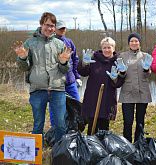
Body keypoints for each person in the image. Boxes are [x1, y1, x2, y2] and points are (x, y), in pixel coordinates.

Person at [13, 12, 71, 143]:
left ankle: (59, 154)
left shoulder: (59, 44)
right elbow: (24, 68)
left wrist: (63, 62)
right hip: (38, 89)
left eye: (52, 26)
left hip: (58, 89)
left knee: (61, 125)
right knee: (38, 124)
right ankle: (36, 153)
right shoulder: (30, 43)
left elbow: (65, 69)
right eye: (47, 25)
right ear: (41, 24)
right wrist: (22, 58)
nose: (50, 28)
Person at [77, 37, 125, 135]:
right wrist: (84, 63)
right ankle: (91, 144)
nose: (107, 50)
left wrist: (116, 78)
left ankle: (103, 146)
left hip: (107, 97)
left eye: (109, 47)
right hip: (93, 96)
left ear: (114, 48)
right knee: (92, 124)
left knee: (104, 126)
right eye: (104, 48)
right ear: (101, 48)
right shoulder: (94, 59)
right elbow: (83, 73)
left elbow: (118, 84)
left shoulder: (117, 62)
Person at [118, 32, 153, 143]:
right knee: (128, 121)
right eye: (131, 41)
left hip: (142, 92)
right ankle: (127, 144)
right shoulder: (122, 56)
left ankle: (139, 144)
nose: (134, 43)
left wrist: (147, 69)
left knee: (140, 121)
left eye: (136, 41)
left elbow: (148, 75)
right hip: (127, 92)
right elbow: (120, 75)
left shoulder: (146, 56)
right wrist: (122, 72)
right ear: (129, 43)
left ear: (139, 43)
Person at [48, 20, 82, 126]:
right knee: (55, 108)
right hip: (55, 83)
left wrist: (77, 76)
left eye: (64, 28)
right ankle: (55, 130)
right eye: (60, 28)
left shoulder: (69, 42)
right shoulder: (49, 43)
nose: (62, 30)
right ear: (54, 29)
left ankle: (75, 128)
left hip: (70, 81)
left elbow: (75, 60)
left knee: (77, 104)